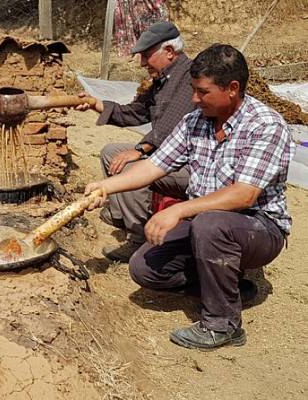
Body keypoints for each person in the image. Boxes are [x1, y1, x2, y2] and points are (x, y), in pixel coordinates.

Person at [84, 44, 294, 350]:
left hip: (258, 228)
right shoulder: (196, 120)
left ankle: (223, 325)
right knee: (144, 268)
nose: (194, 99)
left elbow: (244, 195)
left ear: (232, 88)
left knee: (210, 224)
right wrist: (105, 187)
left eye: (202, 91)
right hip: (205, 223)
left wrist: (178, 210)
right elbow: (154, 165)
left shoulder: (265, 125)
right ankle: (228, 285)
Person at [76, 21, 195, 262]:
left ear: (169, 52)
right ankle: (123, 217)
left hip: (190, 163)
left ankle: (140, 238)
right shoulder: (163, 80)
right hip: (166, 155)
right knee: (111, 152)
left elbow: (172, 127)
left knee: (130, 165)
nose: (142, 63)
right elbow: (135, 113)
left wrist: (139, 150)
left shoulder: (190, 77)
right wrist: (94, 104)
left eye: (147, 56)